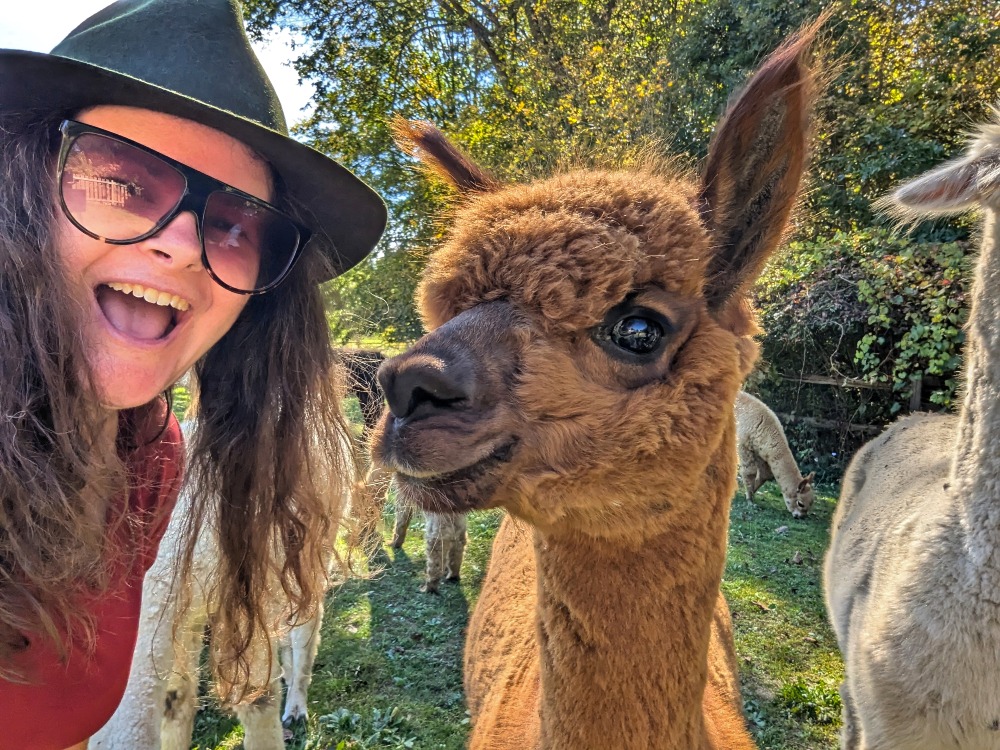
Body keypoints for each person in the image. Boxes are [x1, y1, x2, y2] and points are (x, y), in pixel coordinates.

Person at [0, 1, 387, 747]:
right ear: (20, 187)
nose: (181, 245)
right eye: (121, 181)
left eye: (234, 223)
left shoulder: (147, 459)